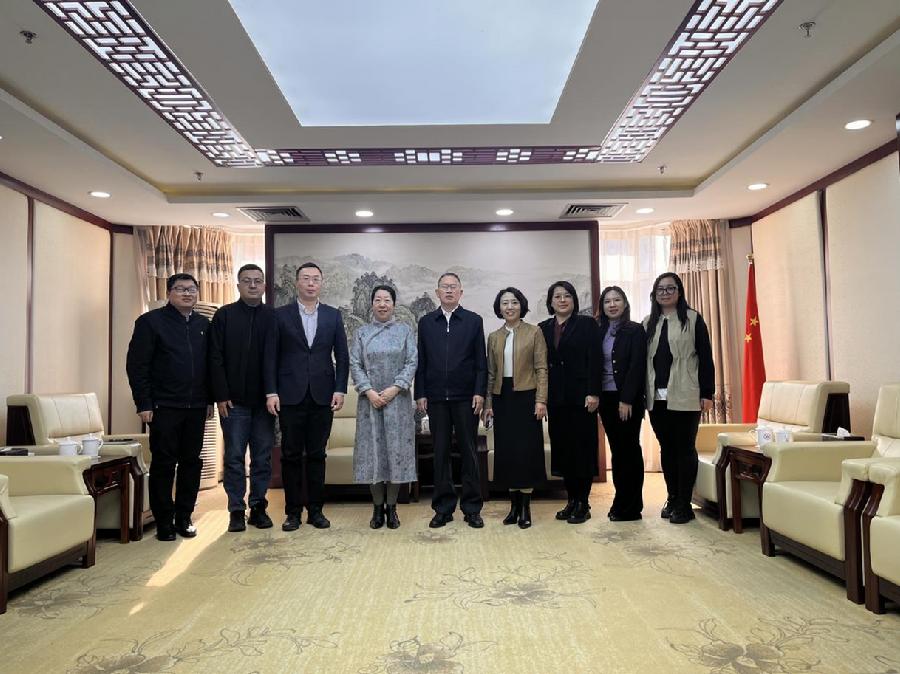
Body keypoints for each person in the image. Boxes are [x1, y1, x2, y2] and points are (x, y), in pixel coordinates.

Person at [126, 273, 212, 541]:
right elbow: (137, 366)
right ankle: (164, 520)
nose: (187, 293)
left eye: (192, 289)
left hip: (196, 406)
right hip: (163, 406)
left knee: (191, 463)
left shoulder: (203, 324)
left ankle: (184, 517)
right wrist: (144, 403)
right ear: (169, 293)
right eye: (180, 289)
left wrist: (209, 400)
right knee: (164, 463)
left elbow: (211, 366)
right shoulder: (150, 322)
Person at [265, 262, 349, 531]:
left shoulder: (333, 316)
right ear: (297, 283)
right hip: (290, 395)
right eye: (306, 278)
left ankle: (316, 511)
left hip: (323, 395)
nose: (311, 283)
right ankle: (292, 513)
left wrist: (340, 388)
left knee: (317, 454)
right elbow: (270, 356)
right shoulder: (280, 315)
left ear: (321, 283)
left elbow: (342, 356)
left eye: (316, 279)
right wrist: (271, 391)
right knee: (290, 455)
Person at [415, 272, 487, 529]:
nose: (448, 290)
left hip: (466, 398)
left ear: (460, 292)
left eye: (453, 287)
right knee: (441, 453)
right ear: (437, 293)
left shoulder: (473, 321)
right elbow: (421, 361)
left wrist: (479, 392)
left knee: (469, 452)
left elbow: (481, 362)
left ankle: (472, 508)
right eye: (444, 287)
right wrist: (420, 393)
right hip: (436, 398)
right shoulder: (426, 323)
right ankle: (443, 508)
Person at [208, 263, 277, 533]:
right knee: (235, 456)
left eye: (257, 281)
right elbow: (214, 357)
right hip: (233, 402)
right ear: (238, 285)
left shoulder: (272, 317)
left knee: (262, 457)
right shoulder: (224, 316)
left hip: (264, 403)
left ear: (264, 286)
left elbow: (278, 358)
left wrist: (274, 393)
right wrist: (221, 394)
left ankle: (258, 507)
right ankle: (236, 509)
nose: (252, 285)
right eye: (247, 280)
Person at [643, 272, 715, 525]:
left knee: (684, 447)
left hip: (686, 393)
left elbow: (705, 357)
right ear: (654, 294)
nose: (665, 293)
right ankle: (672, 497)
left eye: (670, 288)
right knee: (667, 447)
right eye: (660, 289)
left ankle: (685, 503)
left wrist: (707, 393)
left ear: (679, 291)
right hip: (656, 397)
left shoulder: (693, 319)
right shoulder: (648, 323)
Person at [349, 285, 418, 529]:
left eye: (387, 300)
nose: (382, 304)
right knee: (373, 454)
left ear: (393, 304)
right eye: (377, 299)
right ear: (372, 304)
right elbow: (355, 364)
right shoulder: (362, 333)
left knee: (396, 453)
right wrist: (369, 391)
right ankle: (377, 508)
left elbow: (412, 362)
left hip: (398, 401)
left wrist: (395, 388)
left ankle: (392, 508)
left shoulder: (405, 331)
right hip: (369, 403)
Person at [483, 287, 548, 528]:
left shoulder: (534, 332)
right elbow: (491, 374)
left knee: (526, 452)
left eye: (514, 302)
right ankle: (513, 507)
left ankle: (525, 508)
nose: (509, 307)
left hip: (527, 397)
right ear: (499, 308)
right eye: (505, 303)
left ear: (521, 305)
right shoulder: (494, 337)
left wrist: (541, 400)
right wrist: (488, 404)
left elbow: (541, 368)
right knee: (507, 452)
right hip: (503, 398)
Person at [539, 282, 601, 524]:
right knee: (563, 451)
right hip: (556, 399)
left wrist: (593, 392)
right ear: (551, 301)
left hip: (582, 398)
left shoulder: (587, 324)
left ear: (574, 300)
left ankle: (583, 502)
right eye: (557, 296)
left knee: (581, 450)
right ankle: (571, 500)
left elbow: (595, 359)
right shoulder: (543, 328)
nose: (562, 300)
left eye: (567, 296)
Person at [597, 285, 647, 521]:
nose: (612, 304)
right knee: (617, 450)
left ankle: (632, 506)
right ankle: (621, 500)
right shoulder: (598, 330)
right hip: (605, 398)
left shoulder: (635, 330)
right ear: (602, 306)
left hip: (627, 399)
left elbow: (637, 366)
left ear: (625, 304)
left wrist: (626, 399)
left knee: (629, 449)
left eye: (616, 300)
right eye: (607, 301)